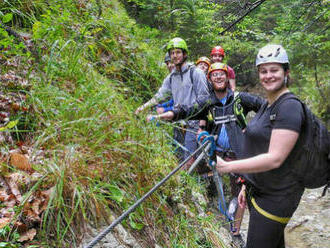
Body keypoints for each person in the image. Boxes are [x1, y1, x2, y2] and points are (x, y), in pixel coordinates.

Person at [147, 62, 265, 240]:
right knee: (203, 179)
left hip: (237, 154)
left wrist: (255, 128)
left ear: (227, 77)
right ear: (209, 79)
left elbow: (265, 106)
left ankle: (235, 231)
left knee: (241, 189)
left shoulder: (240, 99)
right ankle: (214, 220)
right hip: (214, 153)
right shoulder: (207, 102)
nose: (218, 77)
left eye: (221, 74)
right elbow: (185, 111)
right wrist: (161, 116)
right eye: (214, 75)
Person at [216, 44, 306, 248]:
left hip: (277, 198)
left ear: (286, 72)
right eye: (263, 71)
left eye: (274, 70)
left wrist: (229, 167)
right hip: (260, 190)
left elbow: (275, 157)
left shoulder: (289, 106)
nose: (268, 75)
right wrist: (246, 184)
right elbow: (262, 145)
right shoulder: (268, 104)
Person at [135, 37, 210, 165]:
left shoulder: (196, 73)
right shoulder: (171, 77)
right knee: (179, 159)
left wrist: (200, 125)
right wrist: (143, 107)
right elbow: (160, 95)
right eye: (172, 53)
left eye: (178, 52)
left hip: (193, 123)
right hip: (177, 123)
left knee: (189, 162)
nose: (175, 56)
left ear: (184, 54)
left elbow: (204, 100)